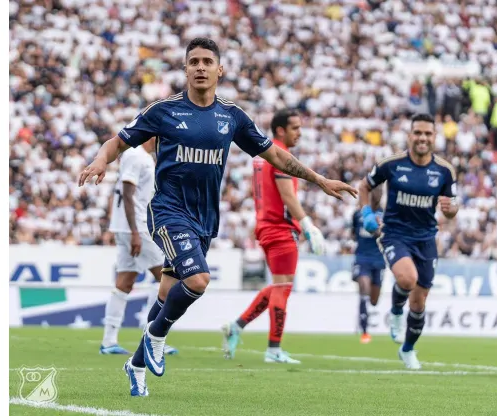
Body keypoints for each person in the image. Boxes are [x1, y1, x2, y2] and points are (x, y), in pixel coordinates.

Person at [78, 37, 357, 397]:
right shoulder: (163, 111)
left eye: (207, 61)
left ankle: (135, 365)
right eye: (193, 61)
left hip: (205, 219)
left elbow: (276, 156)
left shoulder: (232, 116)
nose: (200, 67)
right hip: (168, 211)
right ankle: (156, 336)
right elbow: (117, 141)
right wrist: (102, 159)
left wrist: (319, 180)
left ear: (220, 70)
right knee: (197, 281)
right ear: (185, 69)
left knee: (166, 293)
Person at [221, 109, 325, 364]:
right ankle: (274, 349)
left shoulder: (263, 154)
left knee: (279, 286)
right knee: (282, 288)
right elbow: (287, 195)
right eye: (295, 128)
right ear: (281, 130)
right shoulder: (279, 155)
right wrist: (308, 224)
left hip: (267, 226)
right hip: (279, 228)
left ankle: (237, 325)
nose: (299, 133)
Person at [357, 113, 459, 370]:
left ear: (434, 137)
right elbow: (364, 187)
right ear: (410, 136)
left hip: (426, 238)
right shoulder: (391, 164)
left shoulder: (445, 171)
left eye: (427, 133)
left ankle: (408, 349)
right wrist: (366, 213)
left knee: (419, 301)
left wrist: (450, 210)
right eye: (418, 133)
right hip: (395, 233)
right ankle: (395, 312)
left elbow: (451, 206)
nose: (422, 138)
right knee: (407, 278)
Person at [99, 138, 178, 357]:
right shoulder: (136, 155)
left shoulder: (140, 156)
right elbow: (127, 192)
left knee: (124, 282)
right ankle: (154, 338)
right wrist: (135, 231)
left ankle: (108, 341)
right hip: (137, 228)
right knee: (166, 279)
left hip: (127, 227)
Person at [350, 185, 386, 344]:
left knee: (374, 300)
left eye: (381, 191)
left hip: (378, 260)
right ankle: (364, 332)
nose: (378, 194)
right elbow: (353, 234)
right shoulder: (358, 215)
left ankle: (364, 319)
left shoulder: (386, 215)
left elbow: (388, 236)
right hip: (362, 258)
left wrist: (379, 232)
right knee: (363, 288)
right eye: (376, 191)